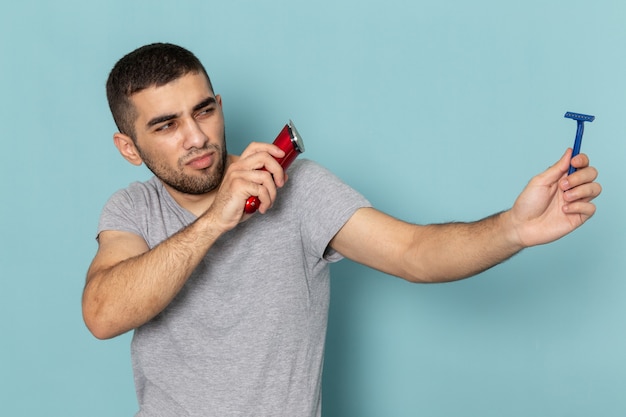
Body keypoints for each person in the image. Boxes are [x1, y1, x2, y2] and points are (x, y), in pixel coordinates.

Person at [82, 43, 602, 417]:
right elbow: (104, 314)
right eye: (166, 125)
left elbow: (414, 252)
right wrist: (219, 217)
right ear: (129, 147)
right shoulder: (132, 210)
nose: (197, 137)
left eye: (204, 110)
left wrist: (513, 228)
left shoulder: (298, 188)